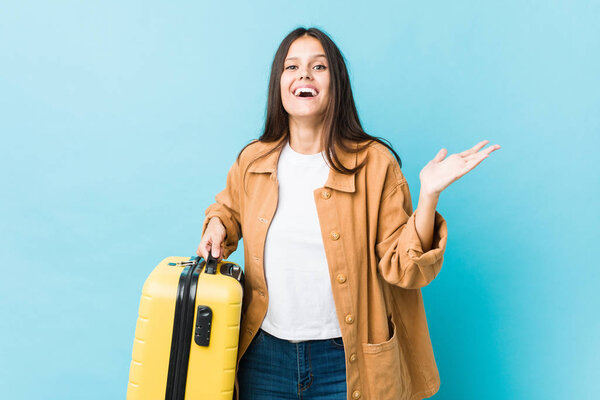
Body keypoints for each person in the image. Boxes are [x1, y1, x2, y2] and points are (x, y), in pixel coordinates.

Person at [197, 27, 500, 400]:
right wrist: (216, 224)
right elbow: (228, 209)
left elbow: (403, 266)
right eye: (292, 66)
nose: (304, 75)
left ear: (336, 83)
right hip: (263, 356)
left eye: (318, 66)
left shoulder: (375, 164)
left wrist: (429, 197)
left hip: (346, 358)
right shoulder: (252, 161)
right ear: (279, 83)